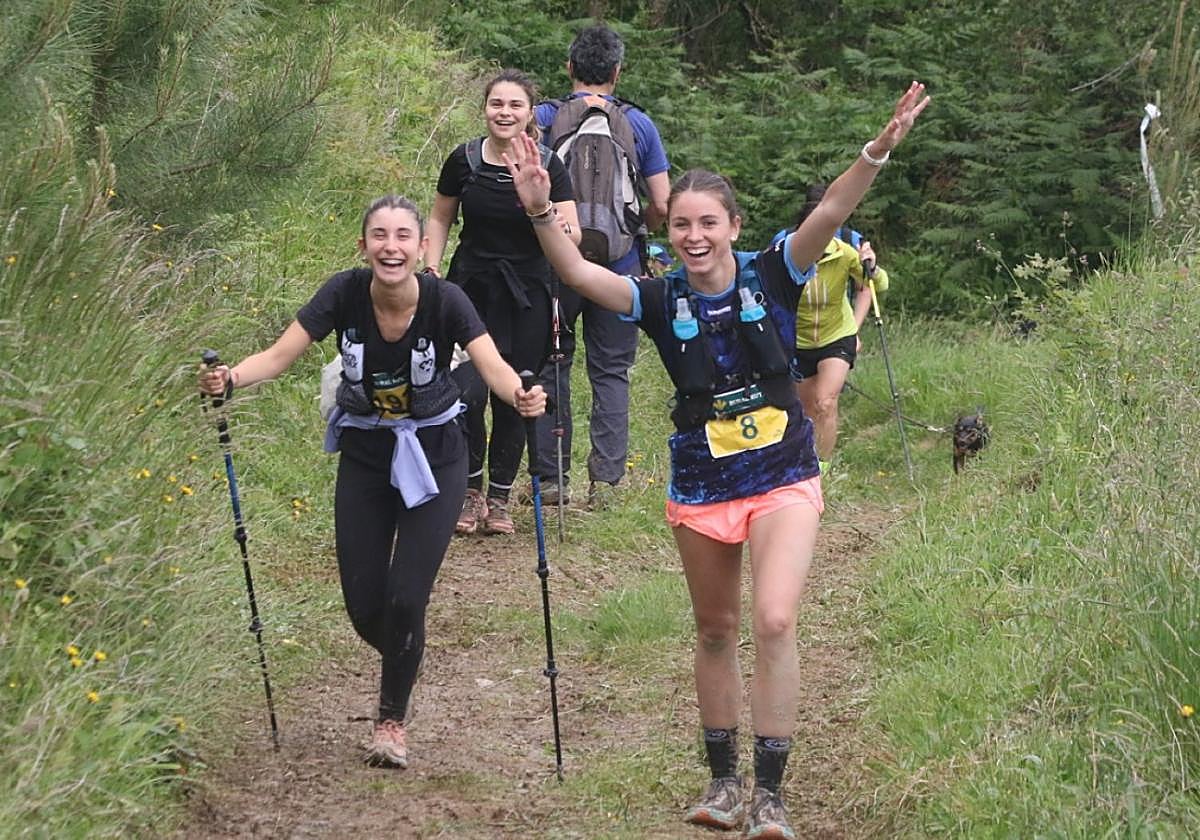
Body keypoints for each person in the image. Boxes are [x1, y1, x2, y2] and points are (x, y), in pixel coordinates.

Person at [501, 82, 928, 838]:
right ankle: (724, 783)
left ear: (733, 227)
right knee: (714, 629)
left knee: (773, 618)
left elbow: (830, 209)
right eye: (685, 225)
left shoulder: (776, 272)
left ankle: (771, 793)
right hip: (702, 480)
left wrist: (878, 150)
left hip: (784, 473)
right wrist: (539, 207)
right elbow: (577, 274)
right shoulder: (659, 298)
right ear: (672, 233)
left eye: (710, 223)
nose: (696, 236)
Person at [198, 195, 546, 769]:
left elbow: (491, 364)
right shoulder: (343, 293)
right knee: (364, 606)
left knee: (406, 594)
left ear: (421, 247)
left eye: (403, 236)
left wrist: (520, 395)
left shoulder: (446, 301)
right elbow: (281, 355)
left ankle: (391, 720)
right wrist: (229, 379)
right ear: (364, 246)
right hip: (365, 459)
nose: (391, 247)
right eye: (379, 236)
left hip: (436, 459)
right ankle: (406, 652)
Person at [425, 69, 580, 536]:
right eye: (497, 104)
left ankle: (499, 497)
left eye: (515, 105)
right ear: (485, 108)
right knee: (465, 393)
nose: (505, 113)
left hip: (530, 295)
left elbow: (572, 236)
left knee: (517, 393)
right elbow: (439, 216)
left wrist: (542, 205)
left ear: (531, 113)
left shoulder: (549, 164)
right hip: (469, 291)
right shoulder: (464, 160)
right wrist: (431, 270)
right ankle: (469, 493)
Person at [532, 24, 670, 509]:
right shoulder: (639, 124)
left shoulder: (544, 116)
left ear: (569, 68)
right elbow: (662, 202)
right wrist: (637, 228)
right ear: (617, 71)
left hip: (556, 262)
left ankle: (551, 480)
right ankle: (607, 485)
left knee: (552, 363)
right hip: (622, 266)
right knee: (611, 372)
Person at [771, 185, 892, 475]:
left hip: (836, 335)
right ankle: (801, 460)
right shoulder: (784, 253)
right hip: (798, 340)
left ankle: (821, 471)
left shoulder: (844, 252)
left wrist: (872, 269)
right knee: (807, 409)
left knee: (826, 402)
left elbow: (878, 285)